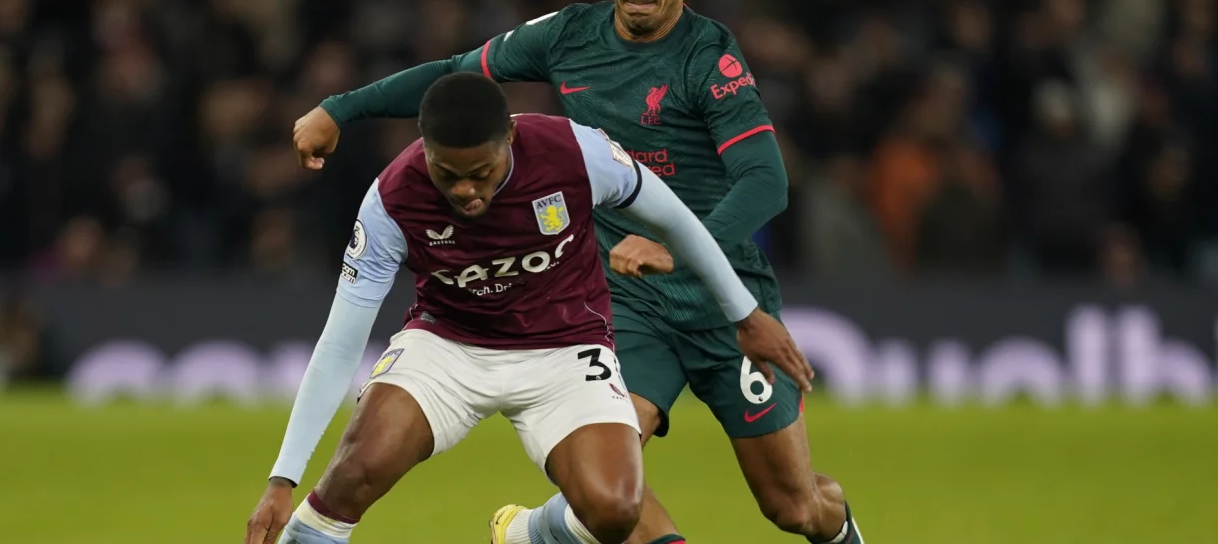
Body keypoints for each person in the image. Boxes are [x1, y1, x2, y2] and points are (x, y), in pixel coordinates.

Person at [289, 0, 864, 544]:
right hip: (622, 301)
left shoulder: (708, 56)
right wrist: (341, 109)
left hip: (722, 300)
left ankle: (533, 532)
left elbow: (765, 180)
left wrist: (676, 248)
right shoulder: (566, 36)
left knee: (793, 507)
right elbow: (456, 76)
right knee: (611, 472)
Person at [244, 72, 810, 544]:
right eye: (448, 174)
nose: (465, 191)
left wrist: (745, 314)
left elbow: (677, 221)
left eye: (481, 173)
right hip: (448, 349)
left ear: (510, 137)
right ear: (424, 150)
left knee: (614, 511)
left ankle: (526, 533)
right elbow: (341, 340)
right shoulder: (393, 197)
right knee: (353, 474)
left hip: (566, 349)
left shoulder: (576, 153)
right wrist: (282, 477)